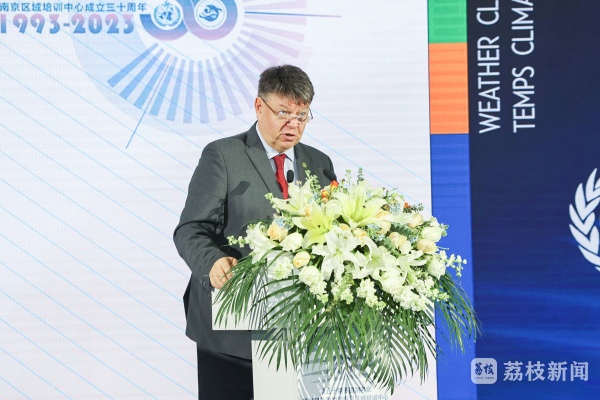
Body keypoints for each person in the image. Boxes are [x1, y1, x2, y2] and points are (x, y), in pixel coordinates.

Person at [173, 65, 336, 400]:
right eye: (284, 113)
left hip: (298, 327)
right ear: (259, 106)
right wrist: (212, 261)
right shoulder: (223, 155)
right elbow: (191, 228)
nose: (294, 125)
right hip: (233, 328)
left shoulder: (318, 162)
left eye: (302, 116)